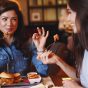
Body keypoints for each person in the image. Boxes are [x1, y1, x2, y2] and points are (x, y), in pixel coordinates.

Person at [33, 0, 88, 87]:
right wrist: (58, 60)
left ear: (83, 12)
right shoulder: (84, 46)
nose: (68, 18)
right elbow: (83, 78)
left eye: (70, 12)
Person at [0, 0, 49, 76]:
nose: (9, 24)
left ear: (18, 21)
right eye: (4, 19)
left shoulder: (28, 42)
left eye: (14, 19)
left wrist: (40, 49)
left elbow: (44, 72)